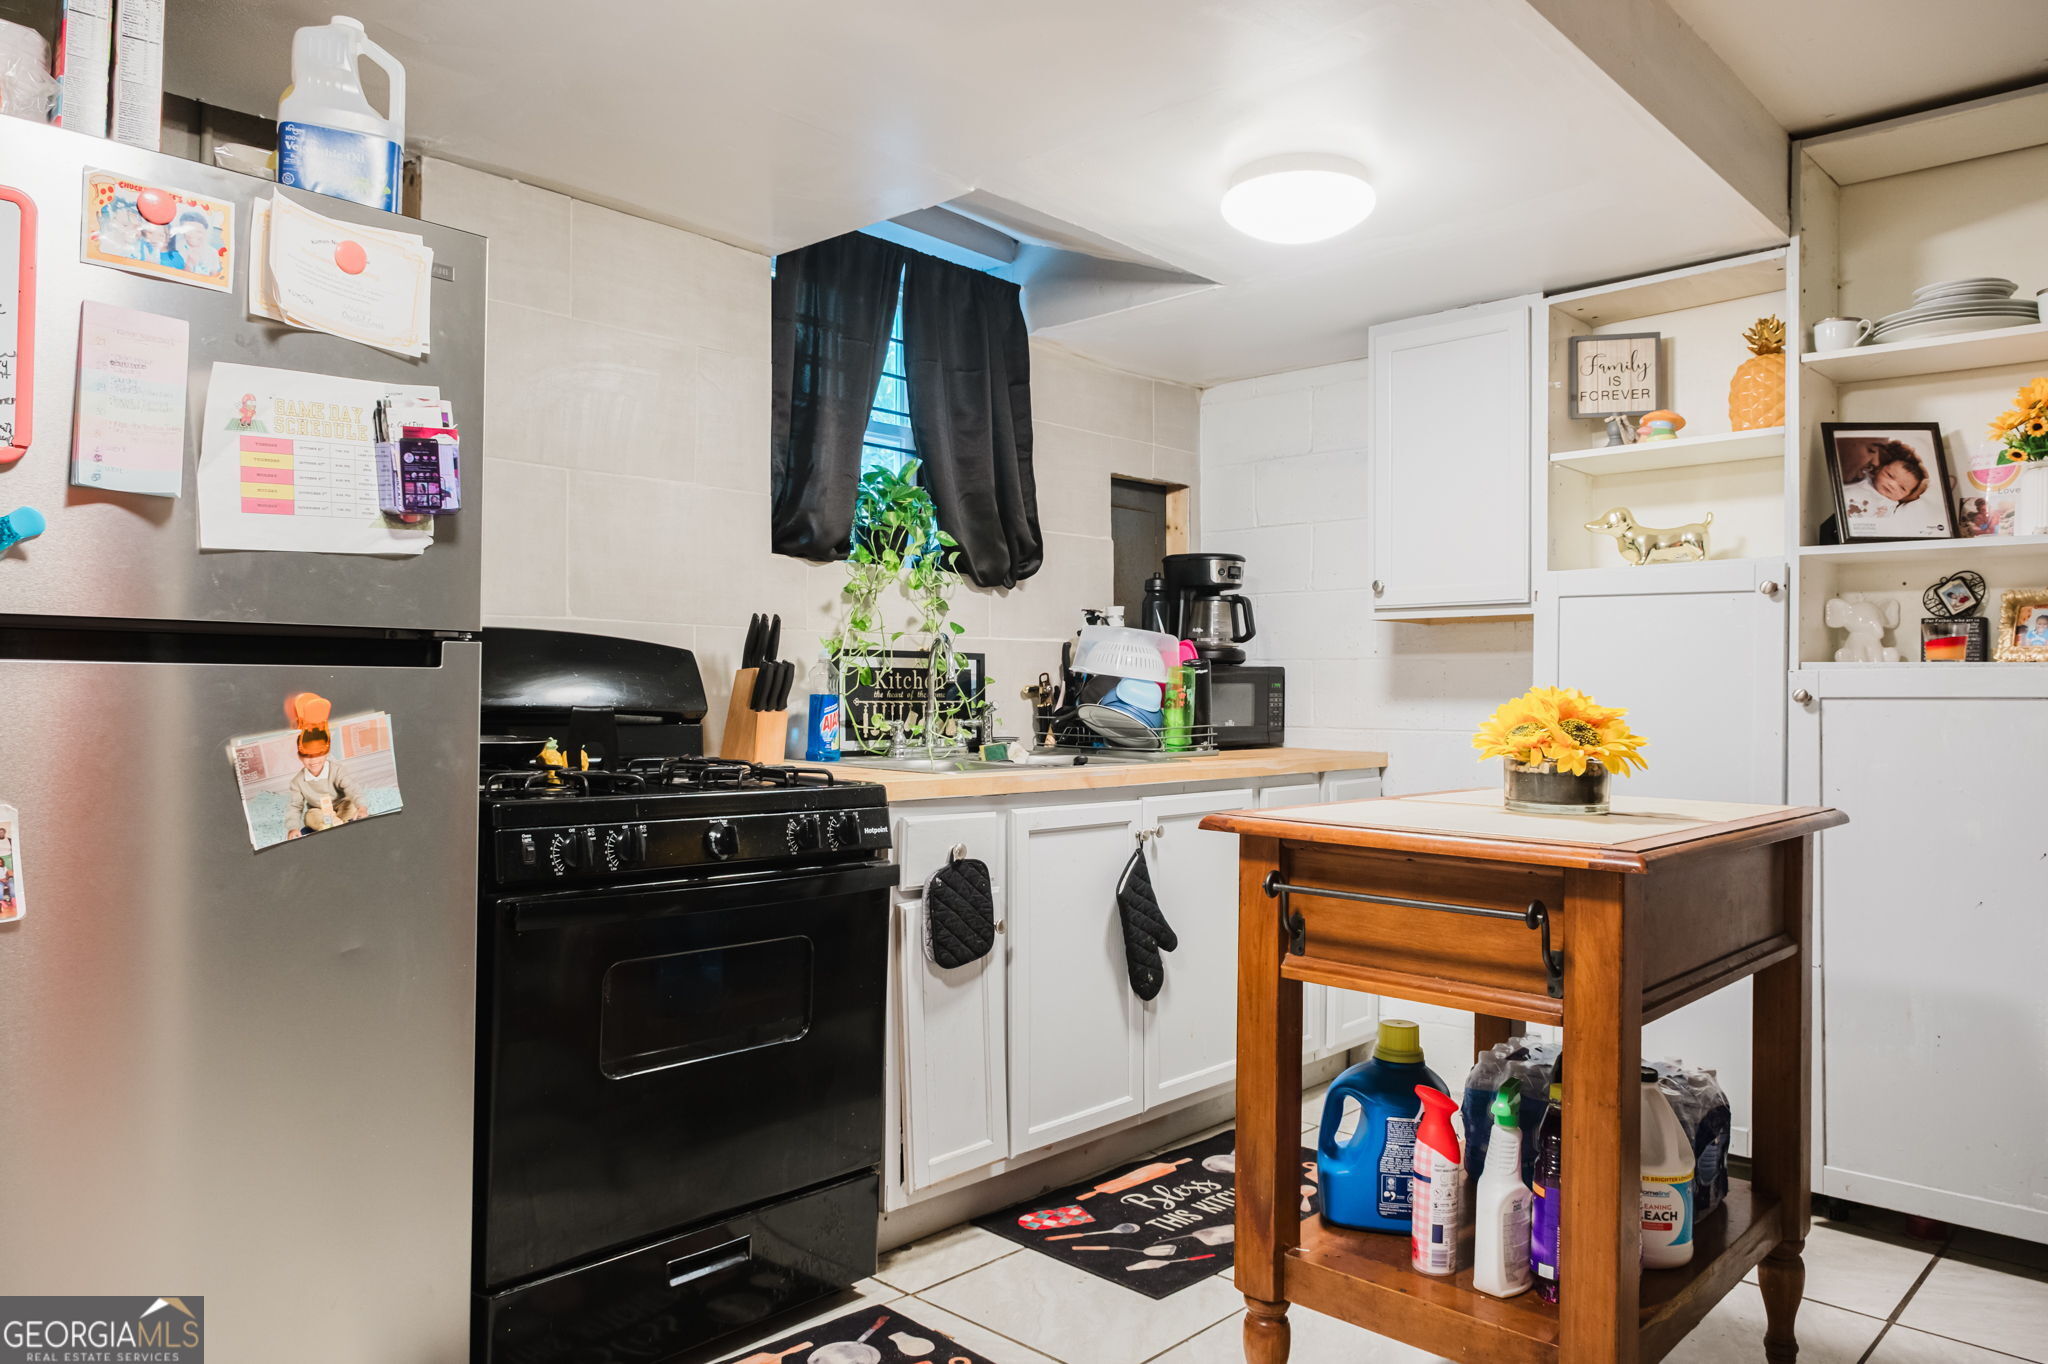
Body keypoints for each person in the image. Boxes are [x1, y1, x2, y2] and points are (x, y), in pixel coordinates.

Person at [285, 725, 364, 838]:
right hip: (319, 811)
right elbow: (295, 806)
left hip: (341, 805)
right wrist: (293, 827)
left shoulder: (337, 770)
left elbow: (351, 788)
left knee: (352, 806)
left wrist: (361, 807)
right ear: (300, 757)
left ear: (326, 753)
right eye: (307, 756)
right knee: (310, 816)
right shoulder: (297, 781)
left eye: (318, 754)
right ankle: (328, 827)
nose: (314, 760)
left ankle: (341, 824)